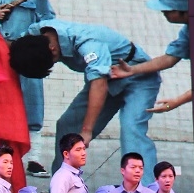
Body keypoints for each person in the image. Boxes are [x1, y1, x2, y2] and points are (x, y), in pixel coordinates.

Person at [9, 19, 160, 179]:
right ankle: (64, 186)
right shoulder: (36, 33)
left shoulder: (87, 44)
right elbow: (12, 45)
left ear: (53, 50)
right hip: (109, 76)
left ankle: (145, 189)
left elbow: (99, 85)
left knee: (131, 129)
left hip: (137, 75)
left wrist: (87, 131)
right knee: (68, 126)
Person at [0, 0, 55, 178]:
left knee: (32, 103)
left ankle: (33, 158)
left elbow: (48, 21)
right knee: (0, 103)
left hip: (25, 54)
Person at [110, 0, 191, 113]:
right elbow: (170, 58)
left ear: (184, 10)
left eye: (168, 9)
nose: (163, 12)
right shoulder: (188, 31)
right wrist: (132, 70)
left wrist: (176, 102)